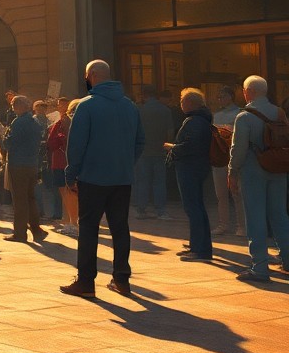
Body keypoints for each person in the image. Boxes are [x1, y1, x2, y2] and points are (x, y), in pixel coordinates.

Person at [60, 59, 145, 299]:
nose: (86, 80)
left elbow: (76, 145)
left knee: (88, 228)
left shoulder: (87, 106)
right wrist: (126, 164)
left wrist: (71, 173)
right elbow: (140, 142)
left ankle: (86, 281)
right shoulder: (129, 106)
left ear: (94, 75)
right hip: (122, 177)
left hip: (93, 177)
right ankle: (121, 279)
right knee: (120, 227)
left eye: (87, 76)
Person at [228, 75, 289, 282]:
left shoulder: (244, 116)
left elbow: (238, 150)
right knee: (280, 215)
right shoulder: (279, 112)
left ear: (249, 92)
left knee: (255, 217)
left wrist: (232, 171)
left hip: (253, 170)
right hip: (278, 168)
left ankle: (260, 267)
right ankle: (288, 260)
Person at [166, 88, 213, 262]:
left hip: (190, 168)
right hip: (197, 167)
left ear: (191, 103)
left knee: (193, 207)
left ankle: (200, 249)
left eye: (182, 101)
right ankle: (197, 246)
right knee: (195, 207)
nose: (180, 105)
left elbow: (190, 146)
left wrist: (173, 148)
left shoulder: (194, 121)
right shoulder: (201, 119)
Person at [3, 95, 49, 243]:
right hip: (32, 164)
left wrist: (4, 138)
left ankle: (20, 233)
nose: (12, 108)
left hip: (18, 165)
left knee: (19, 200)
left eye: (13, 105)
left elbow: (9, 143)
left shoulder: (18, 122)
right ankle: (36, 230)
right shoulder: (35, 122)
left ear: (20, 106)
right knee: (31, 198)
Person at [134, 84, 174, 220]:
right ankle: (161, 210)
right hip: (160, 149)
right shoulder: (165, 110)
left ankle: (141, 209)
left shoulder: (139, 110)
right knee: (159, 181)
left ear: (144, 95)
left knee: (143, 181)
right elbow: (170, 131)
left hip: (143, 150)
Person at [210, 84, 242, 236]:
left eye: (222, 96)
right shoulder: (216, 115)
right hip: (219, 157)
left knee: (237, 193)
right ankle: (223, 224)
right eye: (219, 97)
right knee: (220, 194)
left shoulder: (239, 114)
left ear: (230, 97)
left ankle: (241, 225)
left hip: (233, 156)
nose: (220, 99)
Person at [46, 98, 79, 237]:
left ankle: (71, 222)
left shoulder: (62, 122)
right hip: (76, 162)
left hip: (61, 161)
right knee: (73, 193)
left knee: (67, 193)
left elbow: (51, 142)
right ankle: (71, 221)